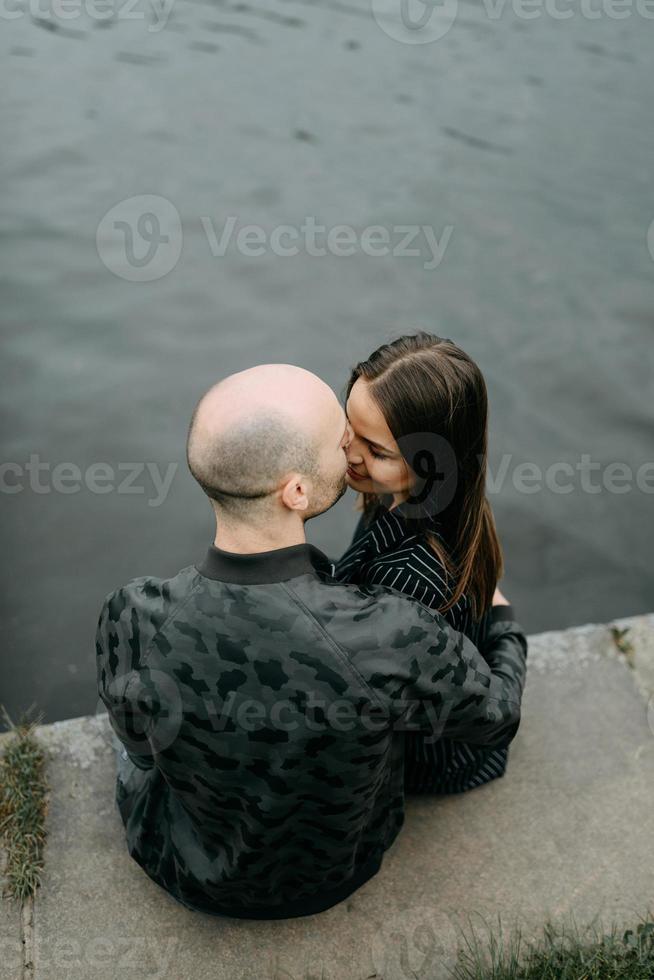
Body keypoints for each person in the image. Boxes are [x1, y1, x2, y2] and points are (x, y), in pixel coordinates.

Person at [95, 363, 527, 921]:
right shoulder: (391, 631)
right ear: (296, 491)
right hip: (340, 870)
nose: (351, 450)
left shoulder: (130, 613)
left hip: (180, 866)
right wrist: (505, 625)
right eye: (340, 438)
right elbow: (495, 717)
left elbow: (136, 742)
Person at [336, 331, 515, 793]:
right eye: (348, 425)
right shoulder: (437, 499)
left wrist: (505, 625)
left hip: (427, 759)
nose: (349, 453)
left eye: (376, 451)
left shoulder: (409, 581)